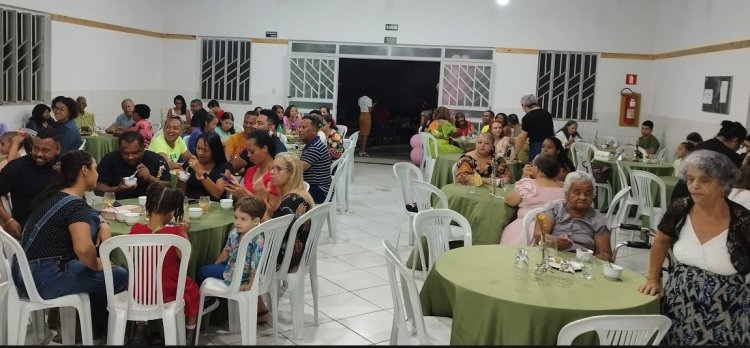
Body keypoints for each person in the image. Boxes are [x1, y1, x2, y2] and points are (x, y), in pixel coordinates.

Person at [637, 150, 750, 345]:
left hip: (725, 314)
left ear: (724, 183)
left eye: (704, 180)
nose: (694, 186)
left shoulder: (743, 220)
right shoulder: (680, 207)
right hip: (677, 307)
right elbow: (661, 240)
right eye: (690, 179)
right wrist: (653, 278)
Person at [13, 150, 127, 337]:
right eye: (95, 169)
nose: (97, 174)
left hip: (22, 273)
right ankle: (112, 333)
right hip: (43, 278)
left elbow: (91, 213)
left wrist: (102, 223)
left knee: (100, 274)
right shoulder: (75, 205)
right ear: (85, 170)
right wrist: (96, 263)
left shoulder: (54, 196)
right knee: (119, 275)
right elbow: (82, 248)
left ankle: (91, 330)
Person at [128, 182, 201, 345]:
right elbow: (186, 258)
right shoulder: (175, 233)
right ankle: (189, 335)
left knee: (146, 284)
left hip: (139, 290)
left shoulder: (135, 229)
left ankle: (140, 328)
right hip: (167, 289)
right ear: (172, 212)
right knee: (192, 290)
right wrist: (184, 233)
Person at [198, 196, 270, 324]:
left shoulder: (257, 240)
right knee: (211, 268)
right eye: (236, 217)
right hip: (233, 267)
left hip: (239, 276)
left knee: (202, 271)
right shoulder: (234, 233)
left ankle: (210, 301)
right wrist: (216, 264)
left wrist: (250, 285)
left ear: (256, 221)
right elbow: (226, 251)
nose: (238, 222)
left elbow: (256, 266)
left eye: (243, 219)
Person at [534, 171, 613, 258]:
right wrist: (555, 241)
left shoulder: (597, 219)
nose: (582, 197)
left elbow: (606, 254)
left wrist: (586, 261)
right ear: (566, 194)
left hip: (584, 264)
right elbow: (538, 235)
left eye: (587, 193)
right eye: (577, 193)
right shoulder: (554, 209)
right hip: (553, 258)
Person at [0, 127, 59, 237]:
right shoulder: (17, 167)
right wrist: (8, 220)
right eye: (35, 148)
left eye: (45, 150)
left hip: (61, 222)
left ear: (58, 149)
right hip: (31, 227)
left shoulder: (64, 166)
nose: (39, 154)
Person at [672, 120, 747, 201]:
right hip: (697, 198)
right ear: (735, 141)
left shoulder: (702, 145)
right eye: (742, 145)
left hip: (680, 193)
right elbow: (738, 181)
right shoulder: (730, 156)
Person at [499, 155, 564, 246]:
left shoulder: (529, 184)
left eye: (532, 165)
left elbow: (510, 201)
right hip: (556, 232)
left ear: (537, 168)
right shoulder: (563, 186)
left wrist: (526, 178)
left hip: (527, 231)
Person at [270, 152, 315, 272]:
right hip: (297, 253)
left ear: (291, 173)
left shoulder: (292, 201)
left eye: (278, 169)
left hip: (284, 258)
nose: (272, 172)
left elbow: (272, 232)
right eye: (272, 168)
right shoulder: (301, 192)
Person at [96, 131, 171, 200]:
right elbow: (98, 189)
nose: (130, 157)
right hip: (119, 205)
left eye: (135, 153)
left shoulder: (157, 160)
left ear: (143, 149)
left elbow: (168, 187)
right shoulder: (110, 159)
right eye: (125, 153)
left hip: (149, 204)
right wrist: (118, 189)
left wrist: (150, 178)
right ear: (120, 150)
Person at [225, 130, 280, 220]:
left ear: (265, 148)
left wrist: (246, 195)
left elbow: (271, 214)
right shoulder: (250, 171)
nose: (248, 155)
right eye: (247, 152)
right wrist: (237, 189)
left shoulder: (276, 175)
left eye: (252, 152)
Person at [178, 132, 232, 200]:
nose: (200, 153)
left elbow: (217, 194)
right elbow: (179, 193)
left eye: (205, 150)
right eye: (198, 148)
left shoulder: (225, 167)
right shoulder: (191, 163)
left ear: (215, 151)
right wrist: (181, 178)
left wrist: (200, 172)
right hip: (190, 206)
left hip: (214, 207)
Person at [298, 115, 332, 203]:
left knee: (286, 195)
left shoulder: (315, 147)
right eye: (299, 127)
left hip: (320, 190)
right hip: (315, 186)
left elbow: (297, 169)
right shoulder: (313, 143)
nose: (300, 130)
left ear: (314, 130)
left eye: (304, 127)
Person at [512, 94, 554, 162]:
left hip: (537, 147)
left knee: (535, 169)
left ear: (524, 105)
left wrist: (515, 154)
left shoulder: (528, 117)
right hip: (550, 146)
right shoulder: (547, 114)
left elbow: (522, 137)